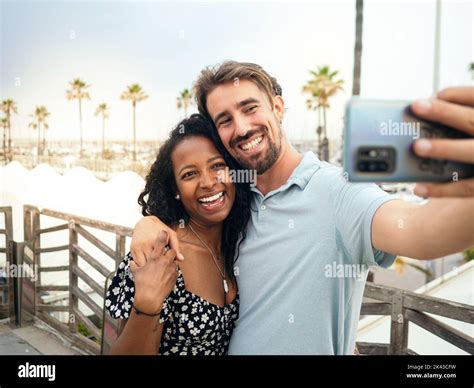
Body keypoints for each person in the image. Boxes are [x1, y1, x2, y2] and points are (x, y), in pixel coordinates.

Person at [130, 61, 474, 354]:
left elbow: (421, 231)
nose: (242, 127)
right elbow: (187, 219)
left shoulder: (339, 191)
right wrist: (150, 223)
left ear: (277, 108)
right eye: (225, 119)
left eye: (250, 108)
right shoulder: (234, 200)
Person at [105, 114, 251, 355]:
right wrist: (147, 305)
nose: (207, 182)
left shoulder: (238, 239)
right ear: (175, 189)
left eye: (217, 166)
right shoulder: (160, 256)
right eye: (189, 174)